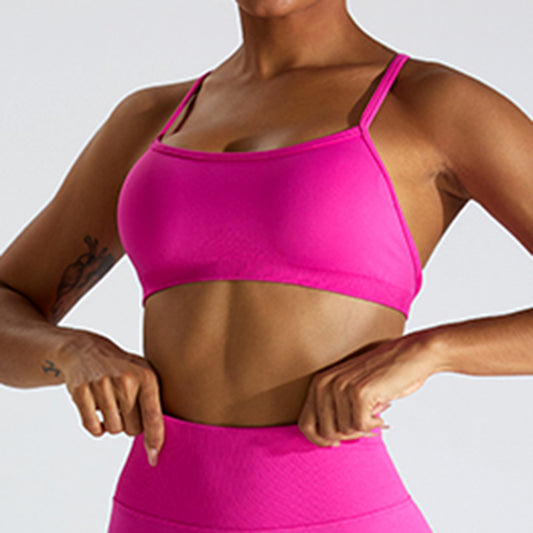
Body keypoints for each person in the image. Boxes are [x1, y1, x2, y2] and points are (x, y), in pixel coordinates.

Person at [0, 0, 531, 531]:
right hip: (151, 514)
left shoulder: (432, 106)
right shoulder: (149, 120)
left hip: (337, 514)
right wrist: (71, 352)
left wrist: (432, 351)